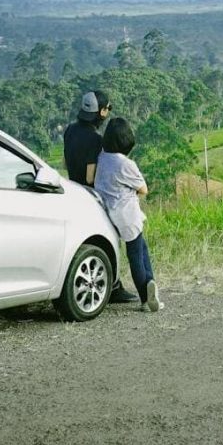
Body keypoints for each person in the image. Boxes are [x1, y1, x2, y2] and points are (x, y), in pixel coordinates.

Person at [63, 90, 139, 305]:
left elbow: (66, 161)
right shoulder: (95, 140)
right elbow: (90, 175)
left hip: (73, 190)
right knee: (108, 237)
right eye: (108, 108)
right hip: (90, 195)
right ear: (102, 112)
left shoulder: (70, 130)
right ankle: (113, 287)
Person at [94, 117, 161, 313]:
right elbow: (143, 189)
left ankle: (150, 285)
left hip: (109, 213)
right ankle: (145, 296)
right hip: (128, 214)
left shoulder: (102, 157)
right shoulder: (126, 164)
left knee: (141, 248)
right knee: (136, 256)